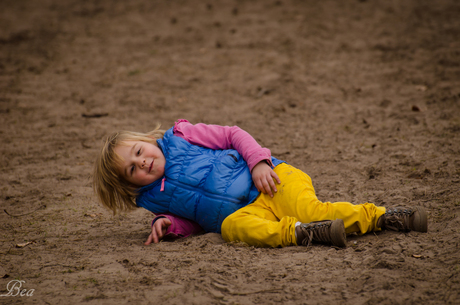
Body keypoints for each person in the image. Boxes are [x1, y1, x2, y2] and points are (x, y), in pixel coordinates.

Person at [93, 119, 428, 248]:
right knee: (230, 228)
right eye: (132, 169)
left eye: (139, 151)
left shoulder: (182, 137)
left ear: (146, 141)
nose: (143, 162)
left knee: (313, 208)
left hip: (270, 182)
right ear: (130, 185)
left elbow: (232, 134)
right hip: (249, 213)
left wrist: (258, 163)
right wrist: (170, 225)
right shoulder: (153, 199)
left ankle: (383, 217)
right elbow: (193, 222)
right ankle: (304, 234)